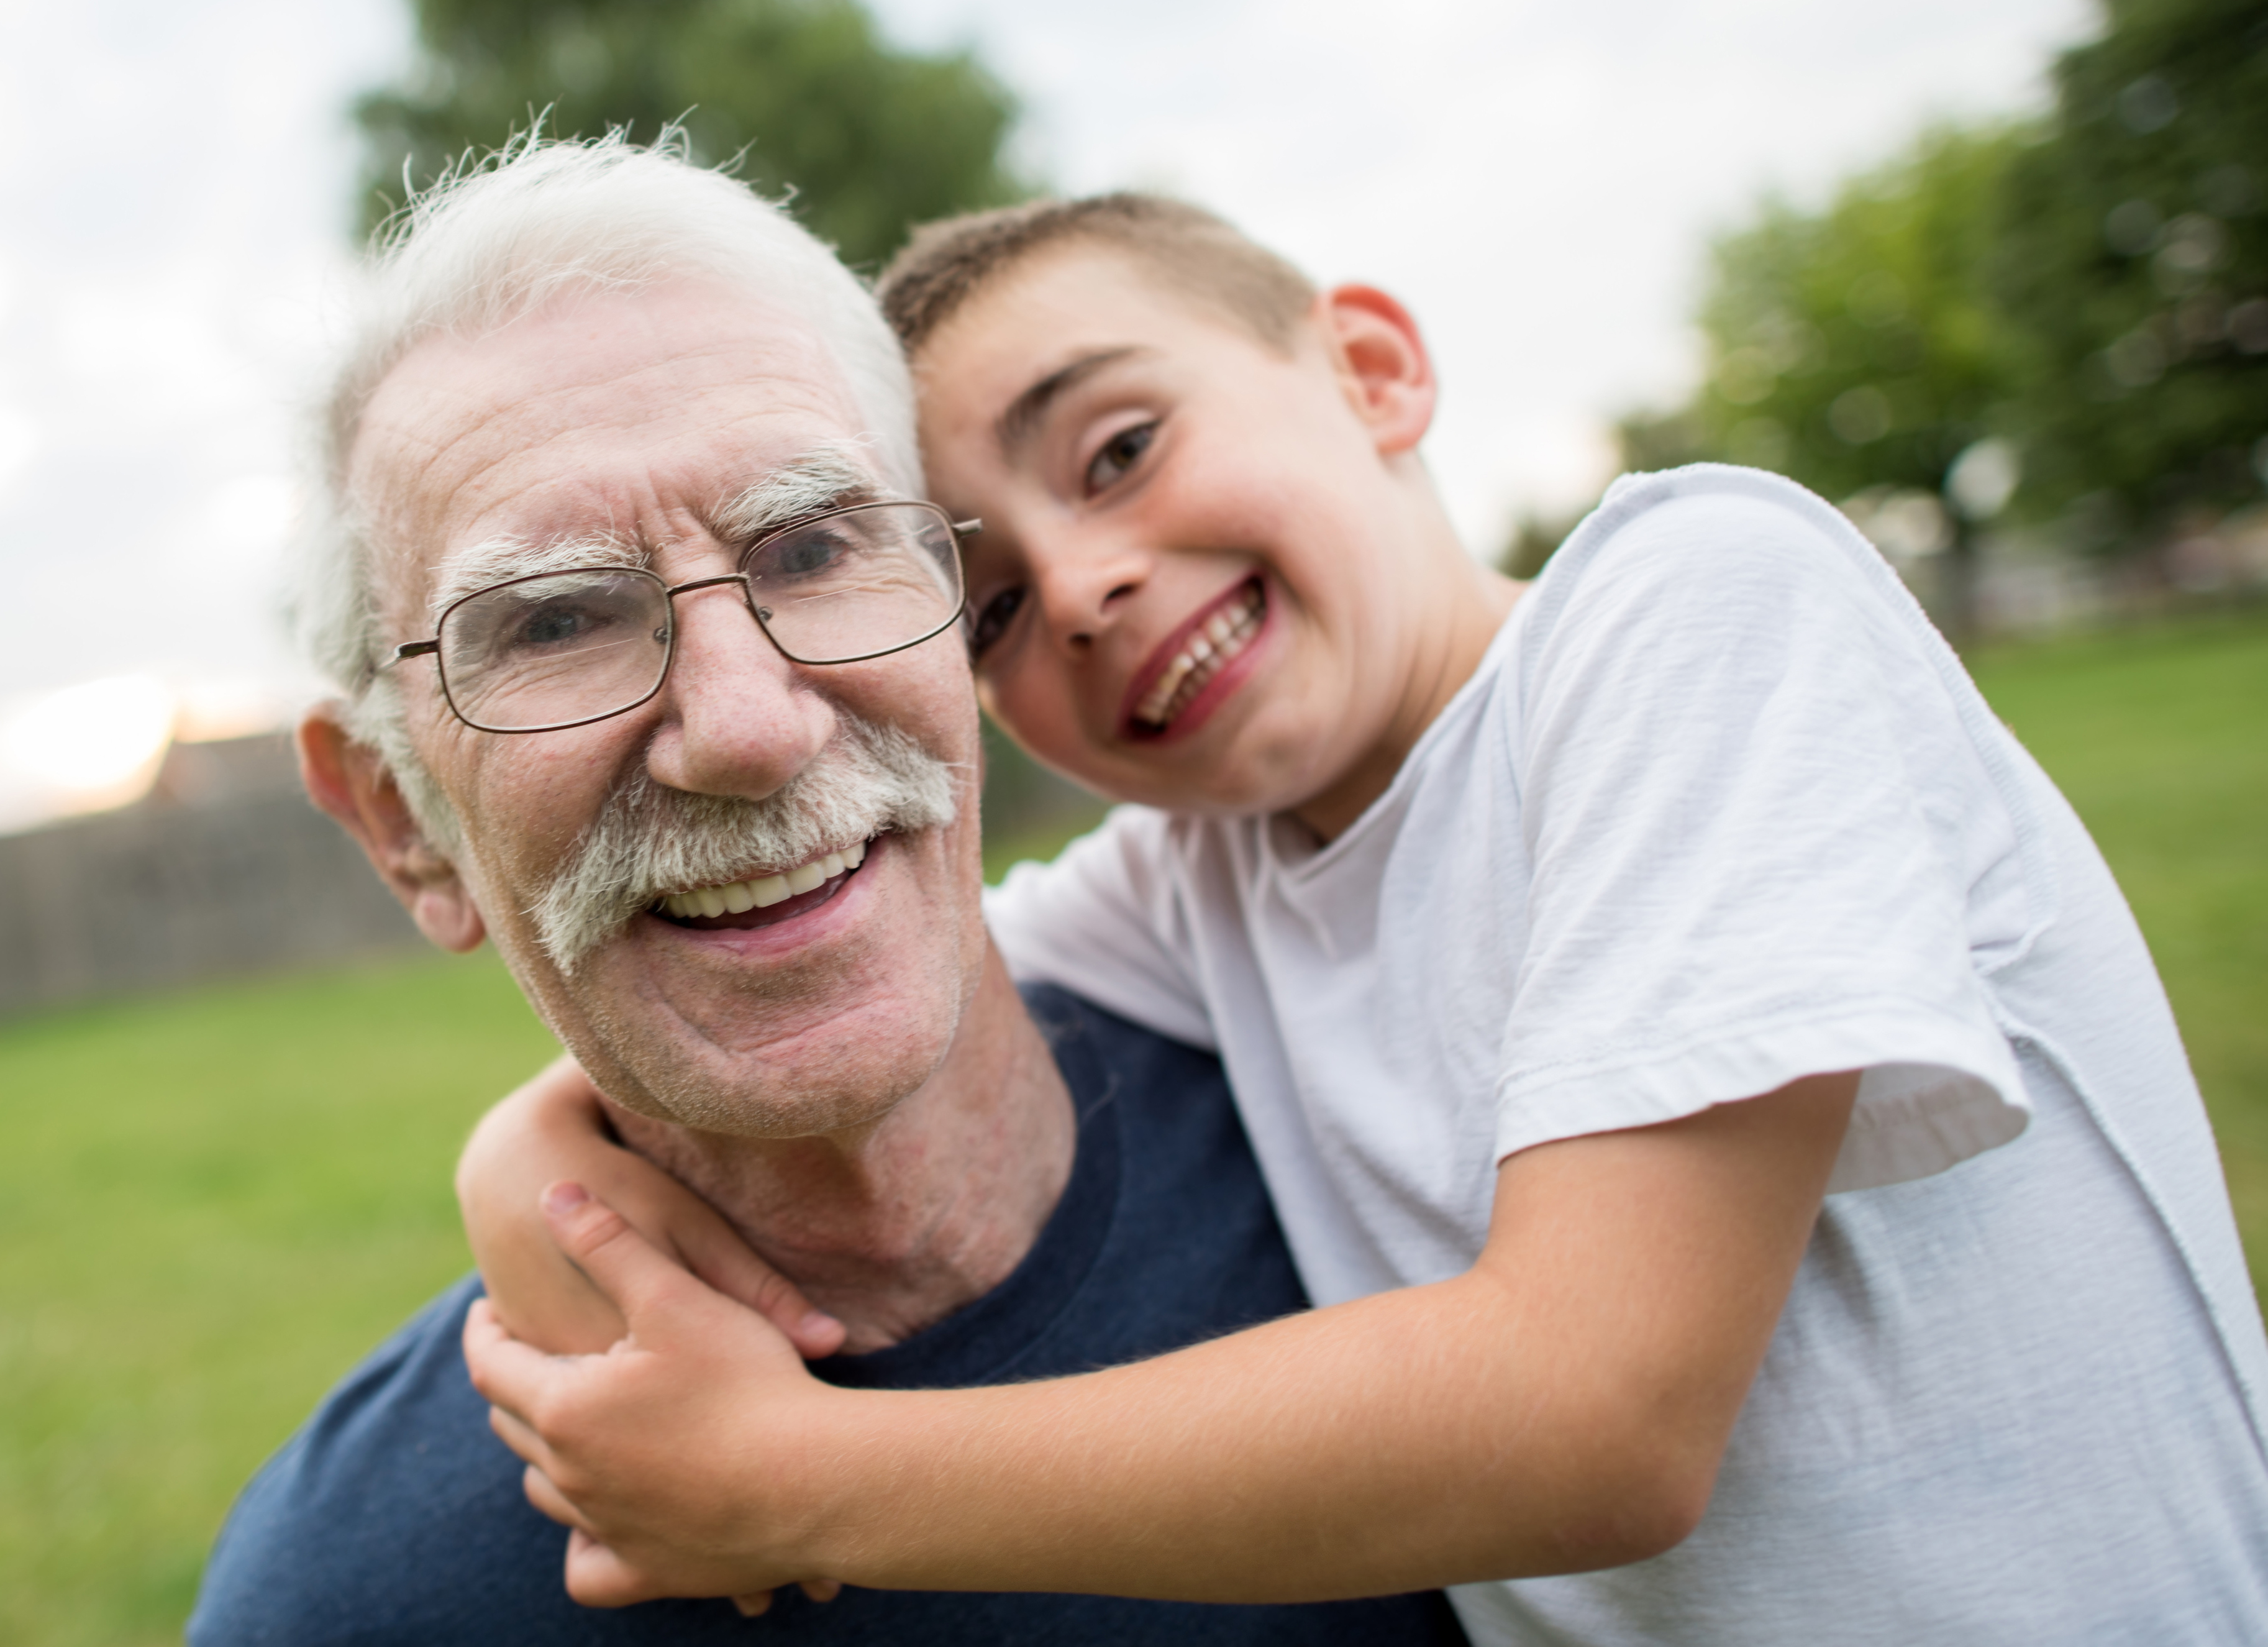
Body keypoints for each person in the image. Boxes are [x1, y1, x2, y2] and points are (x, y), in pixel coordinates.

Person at [462, 190, 2268, 1643]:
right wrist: (523, 1163)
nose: (1082, 583)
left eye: (1116, 449)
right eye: (987, 602)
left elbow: (1598, 1416)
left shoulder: (1695, 605)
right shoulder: (1209, 875)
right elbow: (849, 984)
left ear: (1372, 370)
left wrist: (793, 1477)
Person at [183, 137, 1470, 1647]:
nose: (744, 725)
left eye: (808, 547)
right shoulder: (353, 1610)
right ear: (401, 817)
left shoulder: (1397, 1115)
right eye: (553, 622)